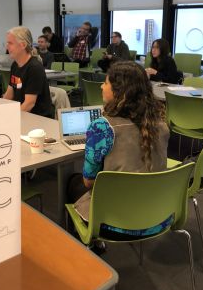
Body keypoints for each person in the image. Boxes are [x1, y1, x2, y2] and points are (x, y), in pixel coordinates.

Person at [68, 61, 170, 238]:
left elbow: (89, 182)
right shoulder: (161, 125)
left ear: (119, 91)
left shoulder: (102, 128)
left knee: (74, 183)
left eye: (106, 83)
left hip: (116, 222)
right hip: (157, 215)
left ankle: (84, 248)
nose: (101, 86)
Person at [3, 26, 53, 118]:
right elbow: (10, 94)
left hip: (38, 120)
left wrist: (8, 119)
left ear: (23, 45)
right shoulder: (15, 65)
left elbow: (29, 104)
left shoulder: (34, 68)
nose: (7, 46)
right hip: (23, 115)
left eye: (10, 43)